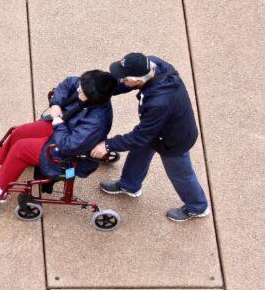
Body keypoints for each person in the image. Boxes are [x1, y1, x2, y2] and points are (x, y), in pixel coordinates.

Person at [89, 52, 209, 222]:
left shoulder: (158, 102)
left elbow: (140, 136)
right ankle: (129, 185)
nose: (121, 81)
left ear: (138, 80)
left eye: (124, 79)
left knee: (180, 174)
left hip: (173, 140)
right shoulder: (152, 64)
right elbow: (124, 84)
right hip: (156, 129)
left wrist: (107, 145)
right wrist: (103, 91)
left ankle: (197, 206)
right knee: (138, 153)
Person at [0, 70, 117, 207]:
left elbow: (70, 145)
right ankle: (2, 157)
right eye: (81, 85)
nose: (78, 88)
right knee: (20, 132)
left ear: (93, 98)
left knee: (20, 149)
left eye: (82, 91)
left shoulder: (97, 121)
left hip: (65, 151)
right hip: (62, 127)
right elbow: (68, 83)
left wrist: (59, 124)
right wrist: (55, 104)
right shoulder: (88, 85)